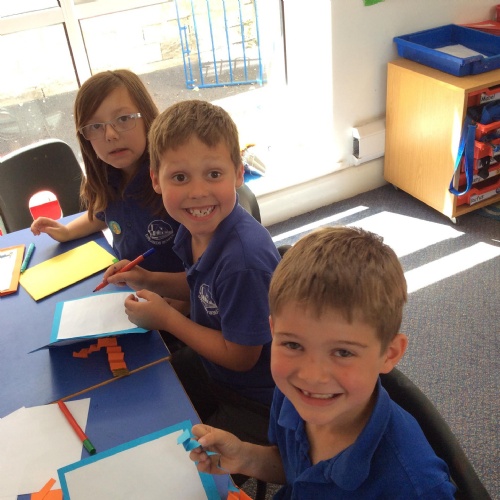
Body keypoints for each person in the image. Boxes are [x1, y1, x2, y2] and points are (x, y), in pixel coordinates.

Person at [188, 227, 456, 498]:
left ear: (390, 354)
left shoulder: (415, 486)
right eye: (293, 345)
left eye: (343, 352)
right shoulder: (292, 394)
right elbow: (295, 470)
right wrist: (246, 457)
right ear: (273, 331)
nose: (311, 376)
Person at [106, 100, 281, 446]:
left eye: (213, 174)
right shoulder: (194, 230)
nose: (198, 192)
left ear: (239, 173)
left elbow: (241, 357)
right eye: (180, 177)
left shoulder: (242, 262)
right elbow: (201, 287)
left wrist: (168, 319)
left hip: (257, 401)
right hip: (214, 368)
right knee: (136, 395)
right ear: (156, 180)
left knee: (178, 451)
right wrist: (146, 278)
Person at [30, 69, 184, 275]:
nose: (110, 135)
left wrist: (154, 284)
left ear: (147, 118)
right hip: (131, 288)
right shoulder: (109, 177)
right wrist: (67, 231)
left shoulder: (174, 181)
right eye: (95, 126)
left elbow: (207, 270)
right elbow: (103, 214)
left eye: (123, 118)